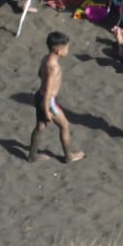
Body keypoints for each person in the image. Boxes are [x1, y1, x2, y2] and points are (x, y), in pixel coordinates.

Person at [28, 31, 83, 163]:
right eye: (67, 48)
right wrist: (47, 111)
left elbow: (39, 74)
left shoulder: (45, 59)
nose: (68, 50)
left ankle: (32, 155)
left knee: (40, 127)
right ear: (59, 51)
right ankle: (68, 156)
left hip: (38, 96)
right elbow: (48, 92)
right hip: (48, 101)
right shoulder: (53, 68)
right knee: (65, 125)